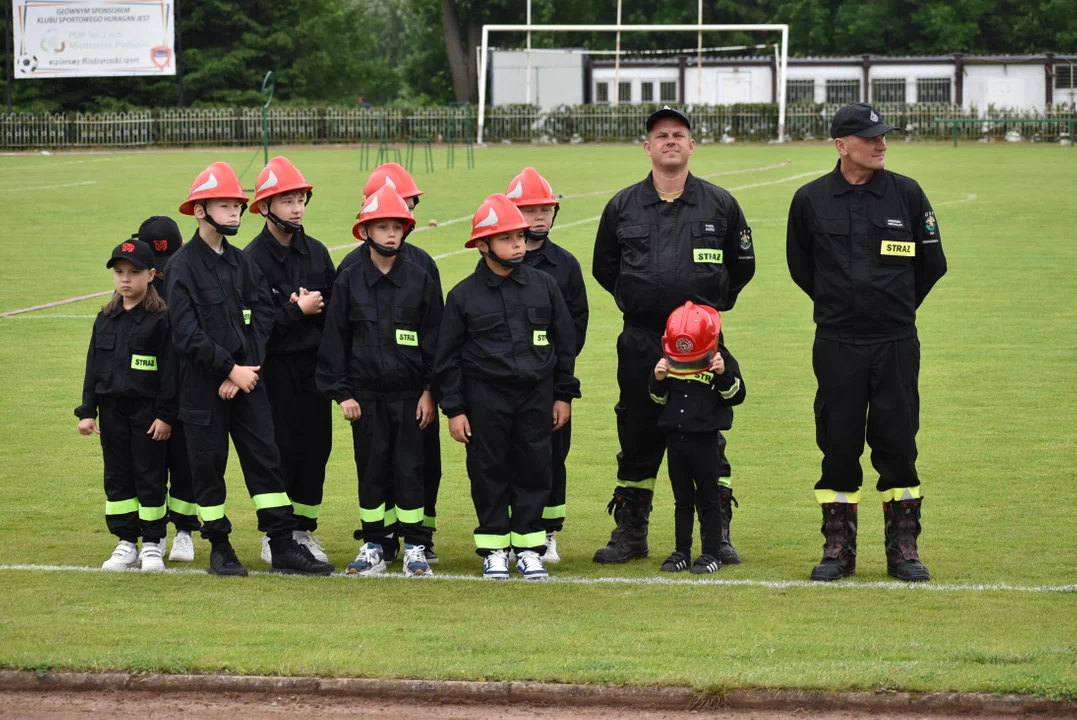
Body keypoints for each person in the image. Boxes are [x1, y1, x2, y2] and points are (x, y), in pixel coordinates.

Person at [786, 103, 947, 583]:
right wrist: (842, 306)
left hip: (895, 341)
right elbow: (802, 268)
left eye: (884, 137)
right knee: (837, 442)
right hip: (837, 343)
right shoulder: (810, 199)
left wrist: (891, 306)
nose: (882, 144)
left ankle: (903, 547)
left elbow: (931, 264)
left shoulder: (908, 194)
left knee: (898, 441)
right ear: (841, 145)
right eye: (871, 137)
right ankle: (838, 547)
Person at [591, 105, 755, 566]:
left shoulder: (719, 204)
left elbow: (742, 265)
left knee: (705, 435)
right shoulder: (622, 206)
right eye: (661, 135)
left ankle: (715, 532)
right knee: (638, 431)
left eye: (678, 134)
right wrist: (639, 299)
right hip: (642, 340)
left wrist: (706, 314)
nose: (670, 140)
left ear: (691, 145)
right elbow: (605, 267)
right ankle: (631, 531)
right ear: (647, 147)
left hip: (703, 344)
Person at [165, 161, 335, 577]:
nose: (235, 214)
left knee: (266, 459)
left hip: (247, 380)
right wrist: (227, 370)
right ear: (201, 211)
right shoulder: (182, 267)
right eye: (225, 206)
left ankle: (282, 545)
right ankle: (220, 547)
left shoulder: (243, 263)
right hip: (205, 386)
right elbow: (186, 334)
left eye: (238, 207)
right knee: (208, 466)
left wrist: (244, 368)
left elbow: (263, 318)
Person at [435, 194, 580, 581]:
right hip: (485, 400)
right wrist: (455, 409)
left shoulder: (545, 286)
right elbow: (446, 359)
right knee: (488, 472)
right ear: (483, 245)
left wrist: (563, 394)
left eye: (519, 236)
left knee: (535, 470)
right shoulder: (463, 295)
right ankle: (495, 549)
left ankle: (530, 550)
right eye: (507, 238)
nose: (518, 243)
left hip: (537, 397)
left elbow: (565, 343)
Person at [317, 185, 442, 578]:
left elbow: (435, 342)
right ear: (365, 231)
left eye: (397, 226)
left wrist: (429, 392)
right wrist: (343, 395)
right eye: (382, 226)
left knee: (411, 470)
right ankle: (374, 543)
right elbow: (335, 341)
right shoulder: (349, 279)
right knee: (371, 469)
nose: (391, 234)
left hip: (410, 398)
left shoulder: (421, 277)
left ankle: (415, 547)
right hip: (365, 400)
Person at [243, 156, 336, 565]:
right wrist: (296, 312)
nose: (297, 207)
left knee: (315, 449)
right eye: (287, 200)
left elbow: (336, 312)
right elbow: (255, 326)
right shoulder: (251, 261)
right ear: (264, 207)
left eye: (300, 199)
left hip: (313, 371)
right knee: (278, 450)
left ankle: (303, 530)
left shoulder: (316, 253)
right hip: (273, 370)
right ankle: (275, 534)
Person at [504, 166, 588, 563]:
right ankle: (508, 529)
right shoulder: (499, 258)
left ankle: (547, 533)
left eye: (546, 210)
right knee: (505, 458)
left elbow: (575, 328)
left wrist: (556, 377)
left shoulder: (565, 265)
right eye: (529, 209)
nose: (539, 217)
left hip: (549, 384)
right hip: (503, 386)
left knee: (552, 458)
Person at [75, 240, 175, 572]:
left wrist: (165, 415)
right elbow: (93, 367)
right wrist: (88, 411)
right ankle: (125, 542)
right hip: (112, 411)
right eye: (119, 272)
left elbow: (170, 373)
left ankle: (152, 543)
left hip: (148, 413)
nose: (125, 279)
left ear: (151, 275)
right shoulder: (105, 318)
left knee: (149, 475)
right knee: (118, 477)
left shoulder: (160, 320)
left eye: (133, 272)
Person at [648, 302, 746, 575]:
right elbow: (658, 399)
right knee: (681, 500)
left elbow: (737, 395)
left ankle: (712, 552)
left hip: (705, 441)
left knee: (709, 498)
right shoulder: (669, 360)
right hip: (675, 440)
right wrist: (657, 379)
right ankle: (681, 551)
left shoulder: (721, 360)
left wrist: (722, 373)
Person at [136, 215, 200, 562]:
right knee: (150, 468)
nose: (160, 273)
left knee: (186, 463)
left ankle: (185, 532)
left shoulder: (188, 279)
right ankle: (153, 535)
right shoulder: (134, 291)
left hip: (188, 389)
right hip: (148, 396)